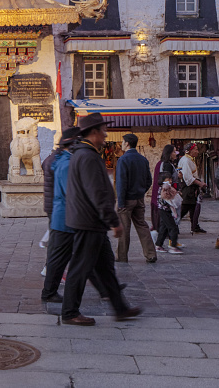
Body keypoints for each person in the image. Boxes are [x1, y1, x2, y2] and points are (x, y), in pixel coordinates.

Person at [61, 113, 141, 326]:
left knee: (105, 268)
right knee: (80, 268)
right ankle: (69, 312)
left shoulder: (84, 153)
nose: (106, 134)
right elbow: (97, 192)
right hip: (88, 221)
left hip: (90, 220)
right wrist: (113, 220)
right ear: (94, 132)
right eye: (104, 130)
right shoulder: (88, 156)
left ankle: (120, 308)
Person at [41, 127, 81, 303]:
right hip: (63, 215)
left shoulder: (55, 160)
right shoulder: (64, 163)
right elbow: (70, 193)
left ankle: (109, 290)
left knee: (71, 254)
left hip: (61, 213)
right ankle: (53, 293)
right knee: (61, 255)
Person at [115, 134, 157, 263]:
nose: (121, 144)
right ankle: (151, 254)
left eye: (122, 142)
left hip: (127, 199)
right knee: (142, 226)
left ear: (127, 143)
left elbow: (121, 183)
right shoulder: (142, 159)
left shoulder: (123, 160)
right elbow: (149, 180)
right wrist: (141, 192)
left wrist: (121, 202)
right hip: (139, 198)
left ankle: (122, 256)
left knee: (124, 228)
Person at [178, 143, 207, 234]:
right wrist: (200, 183)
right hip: (188, 187)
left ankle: (195, 225)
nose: (197, 151)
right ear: (190, 151)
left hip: (191, 187)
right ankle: (172, 225)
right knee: (185, 207)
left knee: (193, 208)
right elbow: (188, 177)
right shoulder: (186, 160)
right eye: (196, 149)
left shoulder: (189, 160)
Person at [151, 145, 177, 231]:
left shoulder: (164, 163)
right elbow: (166, 180)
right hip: (166, 193)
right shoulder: (167, 165)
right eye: (174, 152)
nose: (176, 154)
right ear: (169, 154)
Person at [153, 180, 184, 254]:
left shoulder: (161, 189)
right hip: (165, 211)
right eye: (168, 179)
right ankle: (173, 246)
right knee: (173, 227)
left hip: (163, 211)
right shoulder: (165, 189)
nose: (170, 181)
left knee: (164, 228)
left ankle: (158, 245)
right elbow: (166, 200)